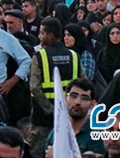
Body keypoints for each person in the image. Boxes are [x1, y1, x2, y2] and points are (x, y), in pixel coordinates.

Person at [29, 18, 84, 158]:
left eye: (42, 33)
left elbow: (34, 87)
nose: (39, 36)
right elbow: (84, 84)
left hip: (43, 119)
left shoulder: (39, 56)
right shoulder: (74, 56)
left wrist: (51, 109)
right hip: (70, 116)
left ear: (51, 35)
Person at [45, 78, 106, 157]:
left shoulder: (98, 135)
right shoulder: (55, 133)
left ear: (93, 104)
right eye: (73, 96)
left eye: (84, 98)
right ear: (65, 99)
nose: (77, 102)